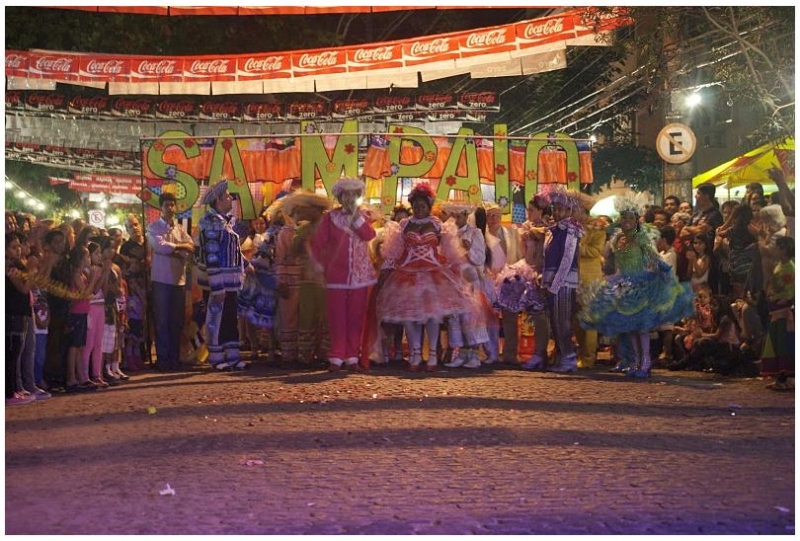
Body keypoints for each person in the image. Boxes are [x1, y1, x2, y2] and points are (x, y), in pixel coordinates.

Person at [579, 198, 695, 378]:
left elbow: (652, 257)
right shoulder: (618, 238)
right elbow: (610, 258)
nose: (626, 223)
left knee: (641, 327)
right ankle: (634, 362)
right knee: (631, 327)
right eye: (623, 219)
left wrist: (664, 271)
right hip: (623, 283)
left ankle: (645, 361)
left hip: (640, 285)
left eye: (630, 219)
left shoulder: (642, 238)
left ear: (636, 220)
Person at [376, 183, 471, 372]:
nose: (419, 210)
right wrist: (385, 271)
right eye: (416, 206)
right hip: (406, 274)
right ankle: (415, 354)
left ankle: (433, 356)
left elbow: (450, 251)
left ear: (429, 207)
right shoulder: (404, 225)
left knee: (432, 316)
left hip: (433, 273)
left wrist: (458, 271)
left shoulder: (437, 224)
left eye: (423, 206)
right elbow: (394, 252)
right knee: (410, 316)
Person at [310, 177, 377, 372]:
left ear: (357, 197)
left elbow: (369, 235)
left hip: (360, 276)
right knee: (337, 317)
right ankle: (337, 355)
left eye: (352, 195)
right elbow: (317, 244)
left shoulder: (364, 216)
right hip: (336, 276)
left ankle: (352, 356)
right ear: (339, 197)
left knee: (356, 317)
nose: (349, 198)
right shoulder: (329, 218)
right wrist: (319, 266)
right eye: (345, 195)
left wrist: (356, 216)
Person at [196, 179, 251, 371]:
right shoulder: (211, 223)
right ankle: (216, 355)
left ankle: (232, 354)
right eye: (227, 196)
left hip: (231, 281)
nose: (231, 198)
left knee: (229, 317)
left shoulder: (225, 222)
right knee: (215, 318)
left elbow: (232, 250)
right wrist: (217, 285)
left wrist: (246, 265)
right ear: (219, 200)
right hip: (218, 282)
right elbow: (211, 255)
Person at [275, 191, 331, 368]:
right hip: (307, 280)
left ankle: (324, 354)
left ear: (311, 209)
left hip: (327, 280)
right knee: (307, 319)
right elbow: (292, 253)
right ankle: (306, 355)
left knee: (325, 318)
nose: (297, 215)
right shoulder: (301, 230)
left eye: (299, 211)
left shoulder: (331, 225)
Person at [440, 202, 494, 369]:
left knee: (471, 317)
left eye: (459, 216)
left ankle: (474, 354)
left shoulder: (475, 232)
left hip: (469, 280)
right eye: (453, 216)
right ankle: (461, 353)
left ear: (466, 216)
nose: (456, 219)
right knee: (456, 317)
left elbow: (479, 258)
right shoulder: (448, 235)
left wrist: (469, 249)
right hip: (453, 280)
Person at [145, 191, 195, 372]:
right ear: (161, 207)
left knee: (176, 322)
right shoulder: (153, 228)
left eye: (173, 204)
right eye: (167, 205)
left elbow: (190, 247)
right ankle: (163, 358)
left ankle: (174, 357)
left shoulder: (180, 229)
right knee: (162, 321)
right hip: (161, 281)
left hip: (178, 281)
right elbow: (160, 247)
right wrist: (178, 249)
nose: (170, 208)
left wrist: (174, 249)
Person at [540, 189, 585, 373]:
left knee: (562, 321)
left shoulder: (571, 230)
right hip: (553, 283)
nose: (557, 213)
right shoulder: (555, 230)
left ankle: (569, 356)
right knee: (555, 321)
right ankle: (561, 355)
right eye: (555, 209)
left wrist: (555, 284)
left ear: (569, 211)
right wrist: (545, 282)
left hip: (563, 283)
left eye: (562, 209)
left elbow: (567, 259)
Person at [485, 203, 523, 364]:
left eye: (496, 215)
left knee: (510, 318)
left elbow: (519, 255)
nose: (494, 218)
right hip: (489, 280)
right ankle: (490, 353)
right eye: (490, 215)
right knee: (489, 318)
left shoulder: (512, 233)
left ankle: (510, 354)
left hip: (508, 280)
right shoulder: (482, 235)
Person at [761, 236, 794, 390]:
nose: (774, 250)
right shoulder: (780, 265)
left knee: (783, 343)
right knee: (775, 342)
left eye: (777, 247)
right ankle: (779, 377)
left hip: (784, 310)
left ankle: (785, 377)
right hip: (776, 308)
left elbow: (785, 289)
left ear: (784, 249)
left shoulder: (790, 267)